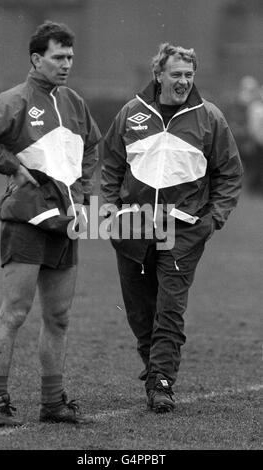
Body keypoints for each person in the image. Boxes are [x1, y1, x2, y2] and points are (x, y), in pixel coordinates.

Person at [100, 43, 243, 413]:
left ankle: (162, 381)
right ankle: (155, 370)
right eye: (176, 74)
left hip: (184, 229)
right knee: (138, 310)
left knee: (170, 306)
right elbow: (111, 166)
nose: (183, 81)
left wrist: (213, 219)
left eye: (189, 75)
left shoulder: (209, 117)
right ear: (158, 75)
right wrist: (112, 212)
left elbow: (229, 173)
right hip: (133, 225)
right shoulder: (131, 113)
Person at [0, 21, 101, 426]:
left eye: (70, 57)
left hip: (66, 223)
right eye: (58, 57)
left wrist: (82, 195)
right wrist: (9, 165)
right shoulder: (13, 101)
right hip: (26, 220)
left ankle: (53, 403)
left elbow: (91, 149)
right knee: (14, 312)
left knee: (59, 316)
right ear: (36, 58)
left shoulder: (74, 102)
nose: (66, 64)